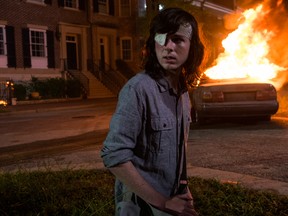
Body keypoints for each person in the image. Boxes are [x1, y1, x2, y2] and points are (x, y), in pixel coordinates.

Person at [101, 7, 205, 216]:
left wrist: (184, 189)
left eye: (177, 39)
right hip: (142, 206)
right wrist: (163, 203)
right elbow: (114, 155)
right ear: (152, 44)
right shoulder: (138, 89)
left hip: (173, 199)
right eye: (161, 38)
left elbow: (174, 153)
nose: (168, 47)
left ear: (192, 48)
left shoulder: (183, 93)